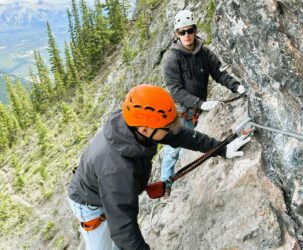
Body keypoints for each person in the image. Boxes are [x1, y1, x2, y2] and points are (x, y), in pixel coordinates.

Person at [67, 84, 251, 250]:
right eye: (166, 127)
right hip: (89, 203)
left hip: (110, 188)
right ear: (145, 130)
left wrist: (221, 148)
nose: (171, 129)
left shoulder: (139, 125)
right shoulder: (116, 168)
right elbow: (124, 229)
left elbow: (179, 136)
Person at [161, 10, 246, 194]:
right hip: (182, 113)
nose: (186, 35)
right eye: (182, 32)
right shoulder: (172, 60)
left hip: (200, 110)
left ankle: (188, 182)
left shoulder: (204, 53)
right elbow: (175, 91)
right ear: (176, 34)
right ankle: (165, 184)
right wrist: (199, 104)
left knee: (194, 145)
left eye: (189, 30)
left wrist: (236, 87)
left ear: (195, 30)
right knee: (174, 148)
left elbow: (218, 73)